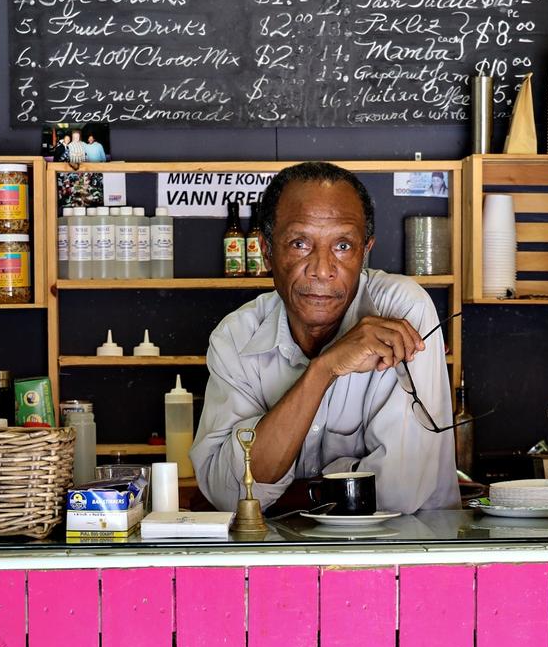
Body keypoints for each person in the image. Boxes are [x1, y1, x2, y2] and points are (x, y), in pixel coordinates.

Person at [191, 161, 459, 515]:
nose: (322, 268)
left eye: (343, 246)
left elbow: (398, 492)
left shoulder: (401, 309)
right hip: (282, 561)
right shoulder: (236, 337)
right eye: (300, 243)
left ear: (366, 251)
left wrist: (292, 492)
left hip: (406, 556)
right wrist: (324, 369)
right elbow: (229, 493)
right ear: (267, 251)